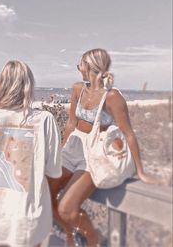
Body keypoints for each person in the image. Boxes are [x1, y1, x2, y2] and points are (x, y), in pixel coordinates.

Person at [50, 48, 162, 247]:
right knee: (44, 195)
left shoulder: (112, 98)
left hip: (93, 153)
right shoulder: (78, 88)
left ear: (91, 67)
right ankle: (70, 233)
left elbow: (128, 133)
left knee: (66, 208)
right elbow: (70, 123)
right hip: (72, 147)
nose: (78, 69)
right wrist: (61, 149)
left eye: (80, 65)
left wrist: (141, 171)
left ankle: (94, 238)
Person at [0, 60, 62, 247]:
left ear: (1, 85)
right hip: (30, 220)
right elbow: (54, 171)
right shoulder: (45, 121)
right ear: (29, 86)